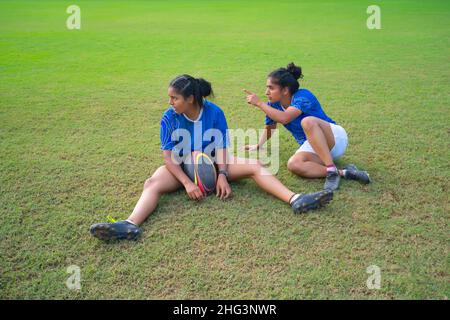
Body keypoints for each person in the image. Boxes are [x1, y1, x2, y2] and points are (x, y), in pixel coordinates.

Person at [89, 74, 333, 241]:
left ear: (190, 99)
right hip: (182, 167)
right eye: (170, 98)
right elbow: (168, 158)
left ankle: (296, 199)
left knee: (256, 165)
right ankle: (130, 224)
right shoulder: (168, 117)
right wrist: (186, 182)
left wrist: (224, 175)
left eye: (174, 98)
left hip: (215, 163)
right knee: (152, 183)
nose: (170, 102)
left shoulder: (215, 113)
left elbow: (223, 147)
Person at [243, 63, 371, 191]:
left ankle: (331, 170)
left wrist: (259, 103)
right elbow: (270, 127)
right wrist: (259, 145)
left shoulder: (303, 96)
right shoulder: (273, 106)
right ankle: (344, 172)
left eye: (271, 88)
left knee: (307, 122)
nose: (266, 92)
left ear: (285, 90)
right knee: (293, 164)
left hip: (334, 139)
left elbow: (285, 117)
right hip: (315, 147)